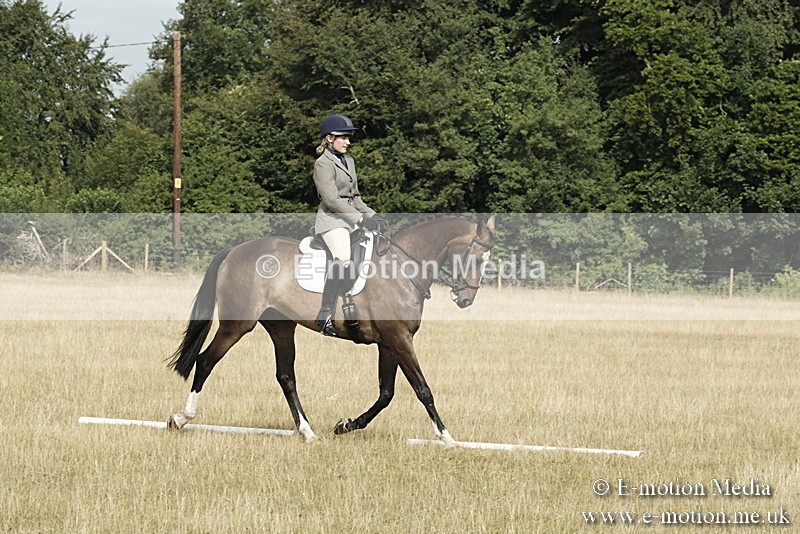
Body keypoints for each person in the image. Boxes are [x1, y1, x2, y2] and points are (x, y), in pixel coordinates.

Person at [312, 114, 387, 336]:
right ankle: (324, 313)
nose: (348, 141)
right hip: (332, 221)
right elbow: (332, 200)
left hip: (351, 217)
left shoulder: (349, 162)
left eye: (348, 137)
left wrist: (374, 216)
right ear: (329, 138)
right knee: (343, 259)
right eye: (343, 137)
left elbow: (355, 197)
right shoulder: (322, 164)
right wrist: (360, 219)